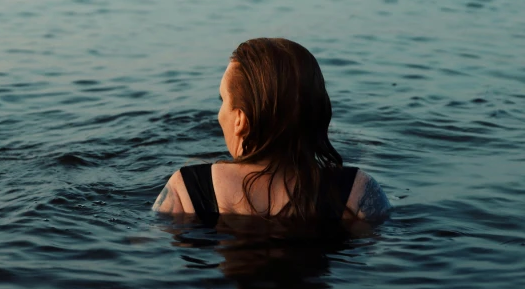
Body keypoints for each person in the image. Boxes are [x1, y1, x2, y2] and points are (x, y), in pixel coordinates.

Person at [152, 38, 390, 224]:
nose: (218, 113)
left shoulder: (187, 190)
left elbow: (145, 250)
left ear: (240, 120)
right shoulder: (357, 191)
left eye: (222, 99)